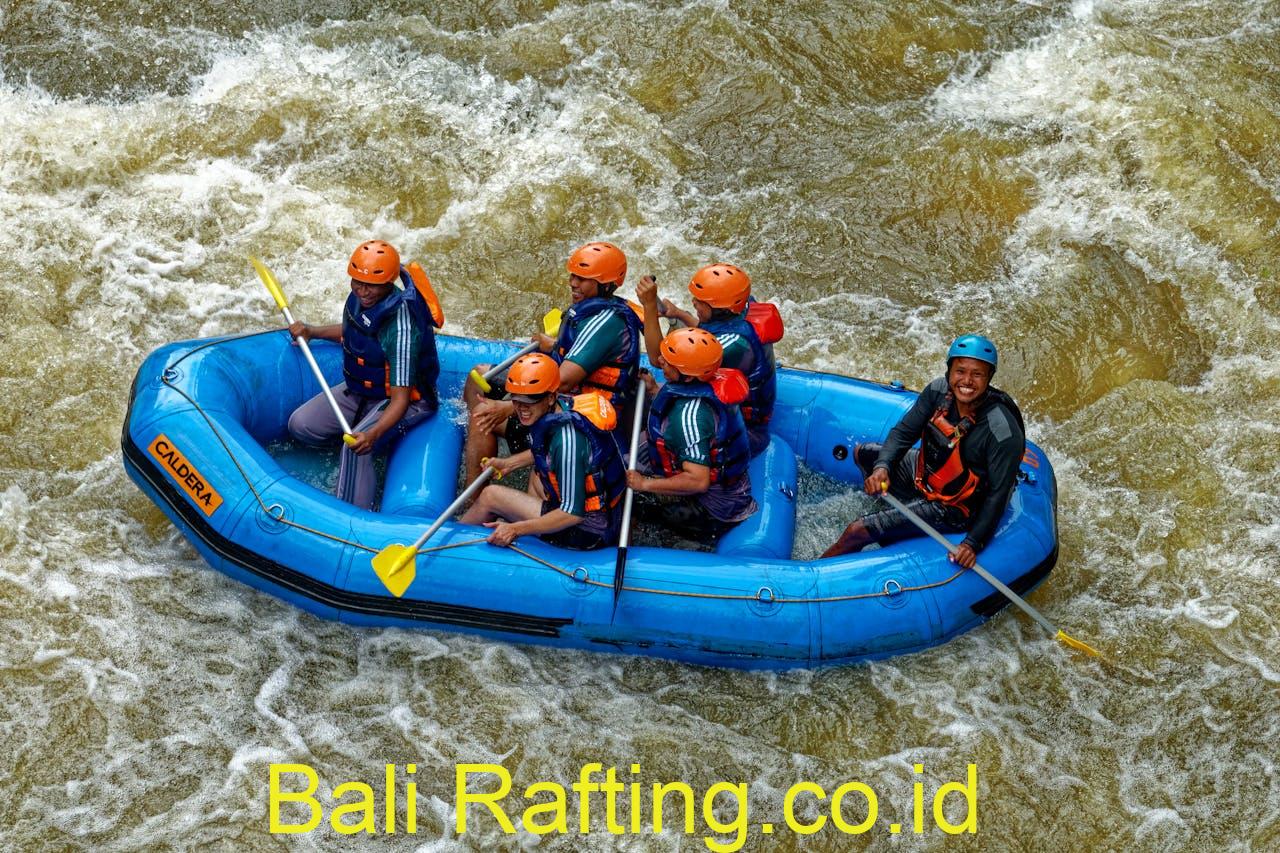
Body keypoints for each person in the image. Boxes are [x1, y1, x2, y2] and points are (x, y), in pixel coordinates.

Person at [821, 334, 1026, 567]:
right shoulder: (938, 392)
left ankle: (810, 583)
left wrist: (972, 543)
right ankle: (892, 515)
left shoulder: (1001, 430)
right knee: (864, 454)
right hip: (926, 475)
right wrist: (881, 468)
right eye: (960, 371)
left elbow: (998, 495)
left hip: (956, 507)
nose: (967, 381)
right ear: (949, 371)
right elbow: (904, 433)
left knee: (856, 530)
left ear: (989, 377)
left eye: (977, 374)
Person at [462, 241, 642, 482]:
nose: (573, 283)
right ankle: (483, 445)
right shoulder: (594, 308)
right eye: (573, 275)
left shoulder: (607, 323)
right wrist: (555, 346)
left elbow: (564, 381)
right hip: (561, 397)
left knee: (481, 416)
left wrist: (507, 407)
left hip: (579, 416)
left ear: (606, 284)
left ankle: (474, 499)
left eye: (583, 278)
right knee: (478, 375)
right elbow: (582, 352)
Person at [286, 240, 443, 509]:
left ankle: (351, 518)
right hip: (364, 391)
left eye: (371, 285)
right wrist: (312, 331)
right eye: (357, 282)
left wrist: (374, 433)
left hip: (408, 400)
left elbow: (401, 400)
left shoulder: (400, 326)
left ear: (389, 283)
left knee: (354, 449)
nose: (362, 290)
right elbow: (355, 331)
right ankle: (367, 453)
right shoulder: (360, 299)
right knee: (300, 425)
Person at [460, 353, 627, 550]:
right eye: (516, 400)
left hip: (589, 530)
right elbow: (545, 451)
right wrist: (509, 463)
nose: (521, 408)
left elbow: (572, 513)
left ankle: (453, 542)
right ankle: (537, 536)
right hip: (601, 511)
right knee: (537, 475)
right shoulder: (563, 405)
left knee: (490, 495)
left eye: (530, 401)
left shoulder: (567, 441)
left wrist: (516, 529)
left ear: (550, 397)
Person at [635, 263, 782, 455]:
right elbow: (711, 334)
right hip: (739, 414)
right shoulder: (738, 309)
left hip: (744, 432)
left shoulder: (733, 345)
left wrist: (649, 306)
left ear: (720, 309)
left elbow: (658, 359)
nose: (694, 302)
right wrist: (680, 314)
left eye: (701, 301)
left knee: (634, 454)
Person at [627, 328, 758, 541]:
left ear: (687, 377)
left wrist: (645, 484)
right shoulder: (708, 381)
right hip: (730, 490)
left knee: (630, 498)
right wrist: (653, 389)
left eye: (668, 362)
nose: (660, 361)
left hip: (714, 511)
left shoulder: (689, 418)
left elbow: (698, 481)